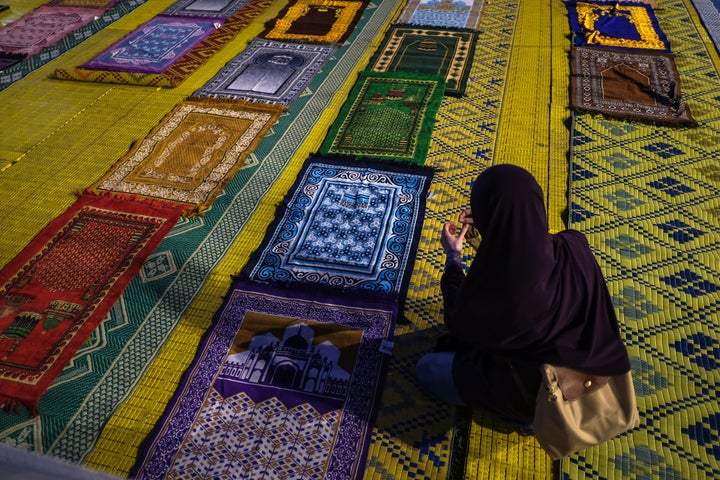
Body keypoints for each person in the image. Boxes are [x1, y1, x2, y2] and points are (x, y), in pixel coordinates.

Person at [416, 164, 631, 426]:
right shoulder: (574, 243)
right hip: (601, 374)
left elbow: (459, 320)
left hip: (548, 392)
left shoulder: (509, 292)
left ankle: (526, 418)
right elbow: (526, 252)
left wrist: (453, 258)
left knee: (428, 369)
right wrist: (490, 234)